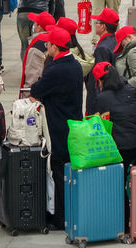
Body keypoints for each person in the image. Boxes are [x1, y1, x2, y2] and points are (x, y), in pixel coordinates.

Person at [30, 27, 83, 230]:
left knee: (60, 172)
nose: (47, 47)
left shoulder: (56, 69)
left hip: (59, 127)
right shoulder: (75, 65)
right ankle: (69, 211)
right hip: (73, 124)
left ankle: (61, 217)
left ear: (55, 46)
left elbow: (36, 90)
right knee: (68, 171)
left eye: (48, 44)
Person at [93, 62, 136, 229]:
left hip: (120, 148)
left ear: (101, 81)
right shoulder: (132, 90)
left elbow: (97, 124)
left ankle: (121, 223)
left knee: (117, 185)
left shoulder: (102, 98)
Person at [86, 8, 119, 113]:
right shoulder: (115, 41)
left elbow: (100, 76)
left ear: (103, 26)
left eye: (97, 22)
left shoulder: (102, 48)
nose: (95, 24)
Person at [20, 11, 55, 93]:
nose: (33, 26)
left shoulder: (36, 47)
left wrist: (28, 96)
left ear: (39, 27)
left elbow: (32, 76)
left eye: (35, 23)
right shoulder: (54, 41)